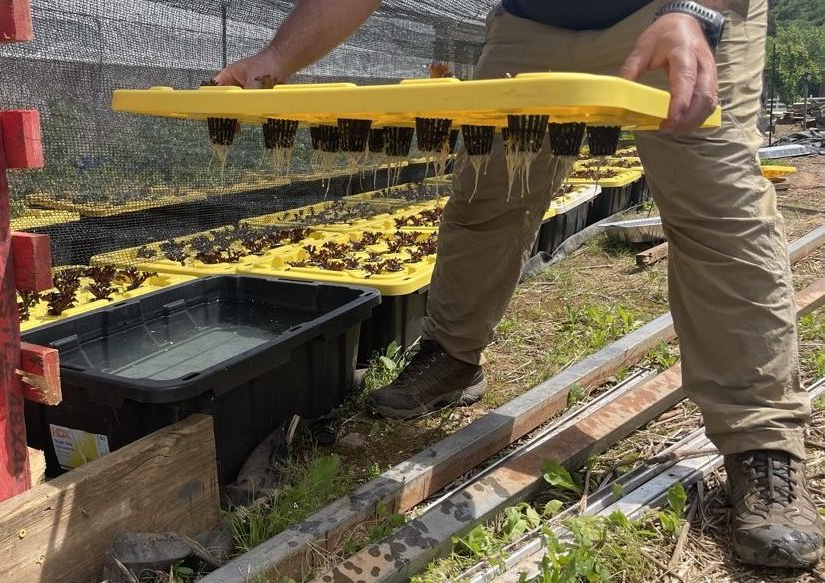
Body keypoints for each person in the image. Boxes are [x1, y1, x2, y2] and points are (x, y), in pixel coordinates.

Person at [216, 0, 824, 568]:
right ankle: (451, 355)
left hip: (670, 10)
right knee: (489, 190)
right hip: (535, 20)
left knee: (717, 210)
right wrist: (277, 58)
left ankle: (762, 441)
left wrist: (697, 12)